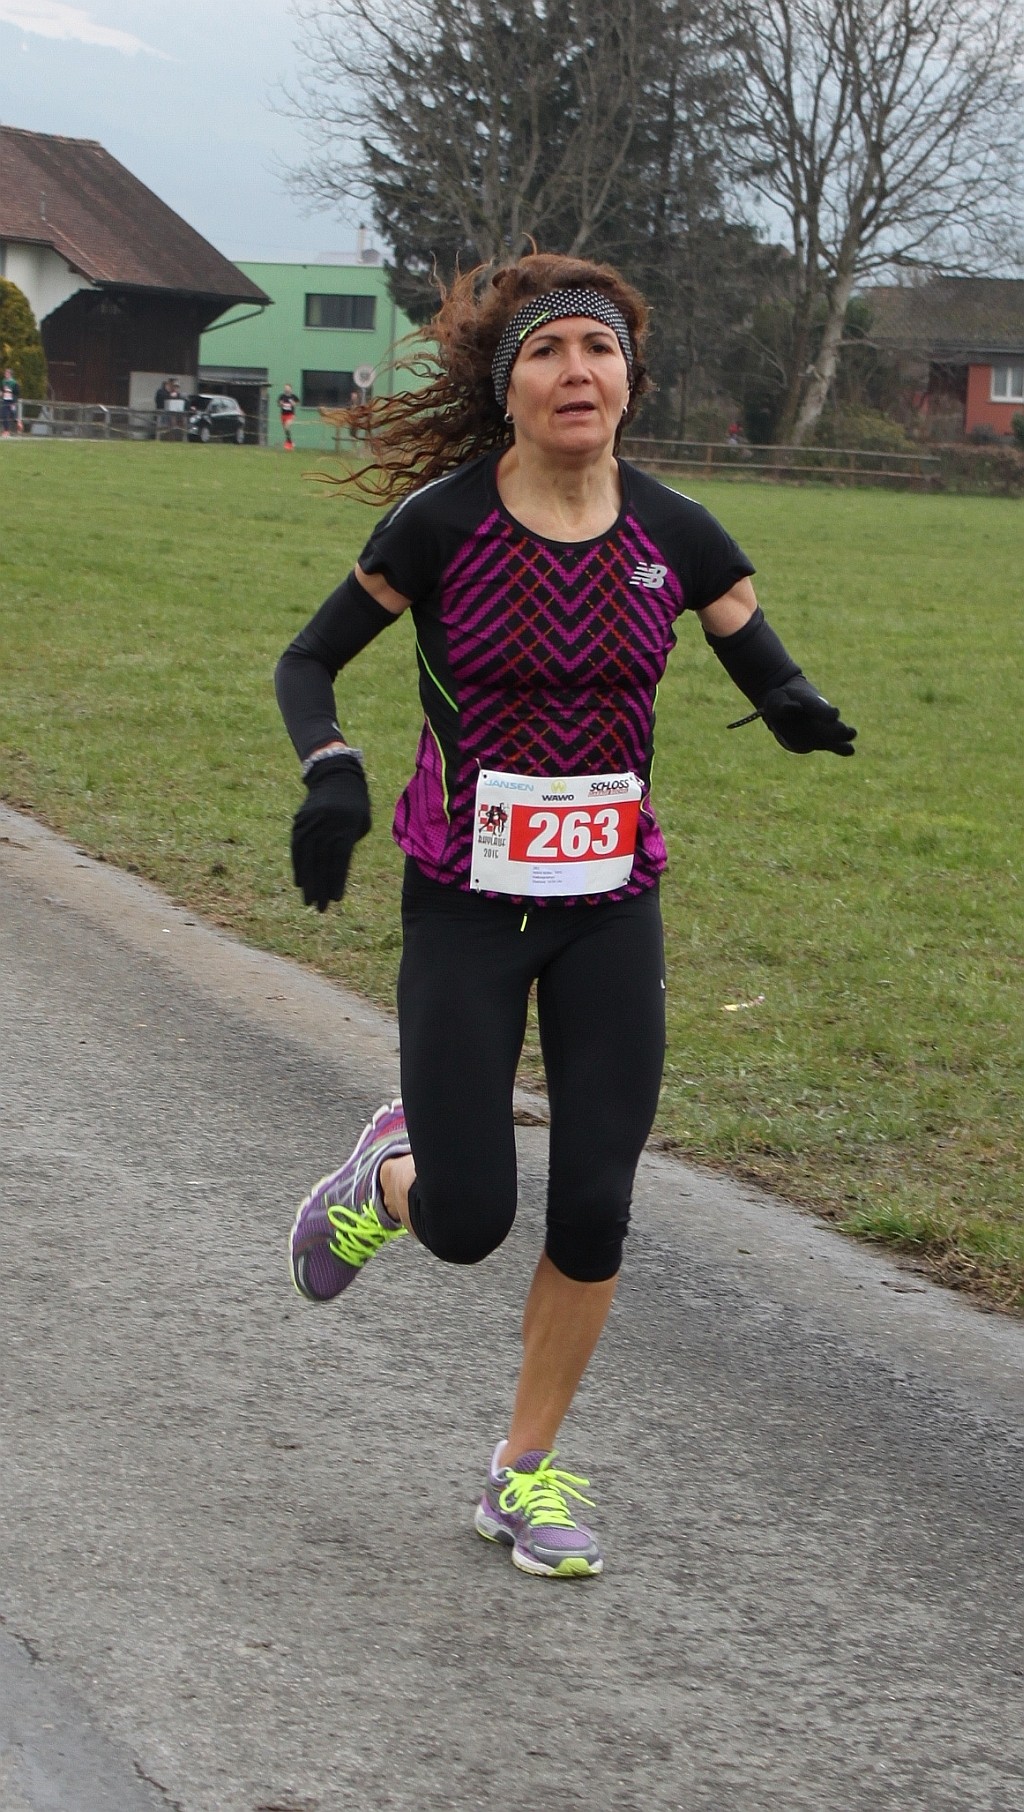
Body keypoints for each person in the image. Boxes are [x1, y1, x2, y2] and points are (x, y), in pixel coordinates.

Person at [274, 252, 856, 1580]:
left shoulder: (679, 528)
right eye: (549, 352)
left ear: (630, 379)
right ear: (512, 383)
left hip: (610, 907)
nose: (577, 371)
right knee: (473, 1220)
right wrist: (334, 774)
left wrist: (789, 703)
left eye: (599, 350)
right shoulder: (440, 527)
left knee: (595, 1203)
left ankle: (521, 1477)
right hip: (467, 906)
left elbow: (746, 637)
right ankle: (389, 1170)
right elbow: (309, 660)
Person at [277, 383, 298, 449]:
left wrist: (293, 403)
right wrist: (281, 404)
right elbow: (279, 404)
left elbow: (297, 403)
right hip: (283, 415)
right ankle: (290, 443)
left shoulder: (293, 396)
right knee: (286, 430)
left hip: (290, 415)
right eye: (285, 388)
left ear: (290, 389)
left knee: (287, 427)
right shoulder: (282, 396)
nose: (286, 389)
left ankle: (289, 444)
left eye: (288, 388)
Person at [1, 367, 21, 436]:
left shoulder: (14, 383)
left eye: (7, 373)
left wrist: (13, 399)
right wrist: (2, 393)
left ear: (10, 374)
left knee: (13, 415)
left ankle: (18, 422)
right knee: (4, 415)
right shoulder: (3, 381)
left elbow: (17, 392)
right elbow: (2, 390)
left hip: (12, 401)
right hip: (5, 401)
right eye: (5, 373)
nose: (5, 374)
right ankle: (6, 431)